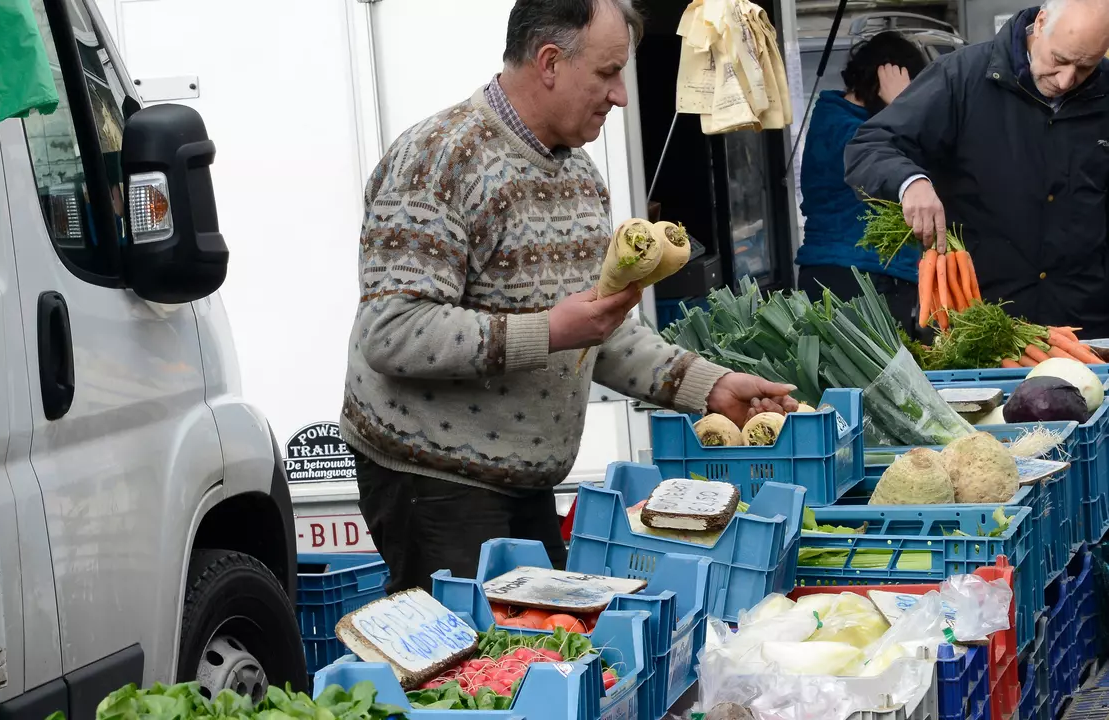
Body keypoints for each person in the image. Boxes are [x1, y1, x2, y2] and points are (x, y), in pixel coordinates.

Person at [341, 0, 798, 595]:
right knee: (482, 673)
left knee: (541, 652)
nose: (621, 96)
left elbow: (597, 328)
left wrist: (708, 386)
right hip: (432, 479)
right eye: (608, 74)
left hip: (524, 482)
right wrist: (552, 330)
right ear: (550, 62)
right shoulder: (440, 161)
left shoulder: (581, 177)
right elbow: (392, 331)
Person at [845, 0, 1109, 337]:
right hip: (977, 322)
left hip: (1085, 326)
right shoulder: (961, 77)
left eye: (1086, 67)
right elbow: (871, 145)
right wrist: (910, 182)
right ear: (1041, 23)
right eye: (1060, 60)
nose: (1067, 78)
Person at [795, 32, 928, 335]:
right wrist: (902, 105)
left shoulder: (848, 119)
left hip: (862, 273)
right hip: (854, 278)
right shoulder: (844, 127)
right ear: (883, 81)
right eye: (912, 90)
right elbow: (907, 162)